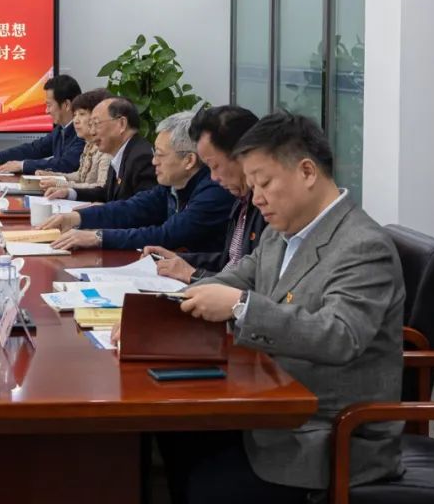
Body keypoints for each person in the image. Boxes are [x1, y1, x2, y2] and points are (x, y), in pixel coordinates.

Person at [165, 112, 405, 504]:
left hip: (327, 435)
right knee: (176, 440)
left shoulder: (362, 246)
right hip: (273, 406)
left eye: (264, 183)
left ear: (307, 171)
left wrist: (241, 307)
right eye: (253, 185)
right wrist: (160, 312)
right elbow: (237, 277)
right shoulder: (283, 231)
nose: (256, 197)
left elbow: (339, 335)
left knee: (205, 484)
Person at [42, 110, 235, 251]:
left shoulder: (214, 190)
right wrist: (78, 217)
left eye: (160, 155)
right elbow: (132, 208)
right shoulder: (172, 185)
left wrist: (97, 237)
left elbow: (166, 235)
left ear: (189, 161)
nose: (154, 161)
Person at [143, 105, 265, 284]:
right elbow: (231, 262)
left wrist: (194, 274)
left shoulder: (267, 206)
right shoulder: (242, 199)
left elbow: (256, 284)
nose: (213, 177)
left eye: (215, 166)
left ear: (243, 155)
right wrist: (180, 260)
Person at [0, 74, 84, 175]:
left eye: (49, 105)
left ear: (66, 105)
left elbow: (66, 164)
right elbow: (35, 149)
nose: (46, 111)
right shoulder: (60, 129)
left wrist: (22, 165)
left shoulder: (83, 132)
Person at [49, 96, 156, 203]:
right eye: (91, 125)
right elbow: (107, 193)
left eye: (96, 124)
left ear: (121, 124)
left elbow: (140, 207)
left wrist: (95, 211)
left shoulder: (141, 157)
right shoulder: (121, 152)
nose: (92, 132)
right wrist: (69, 193)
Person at [35, 88, 113, 193]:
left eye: (82, 114)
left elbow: (101, 188)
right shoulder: (89, 145)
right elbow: (80, 176)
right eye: (75, 115)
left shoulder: (106, 149)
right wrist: (54, 175)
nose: (75, 121)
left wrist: (59, 183)